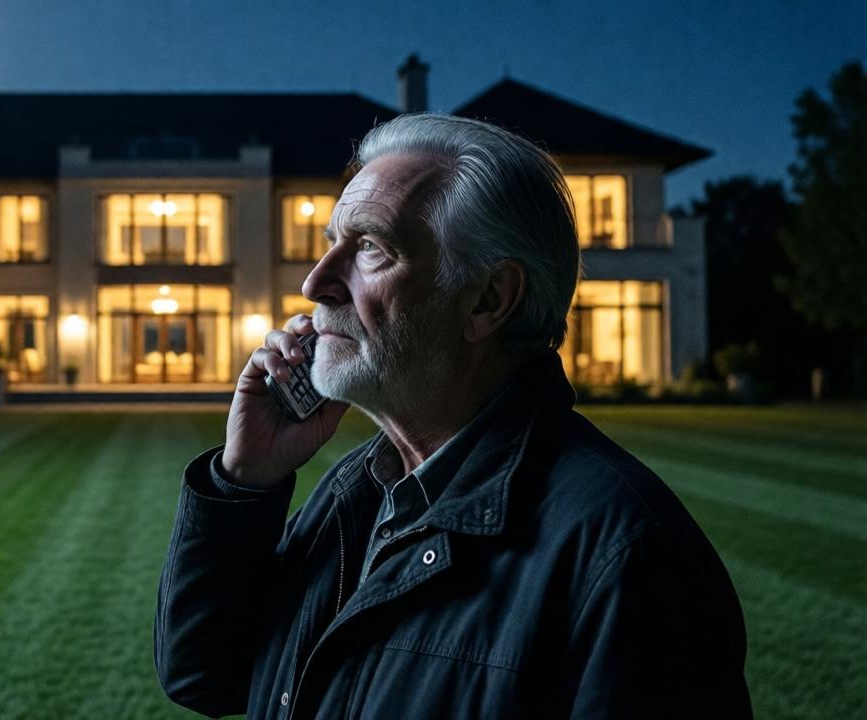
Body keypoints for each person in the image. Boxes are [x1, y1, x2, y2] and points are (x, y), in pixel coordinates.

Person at [153, 113, 752, 719]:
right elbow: (203, 676)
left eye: (370, 248)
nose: (316, 282)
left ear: (488, 300)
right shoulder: (355, 493)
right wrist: (244, 479)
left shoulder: (629, 558)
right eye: (330, 243)